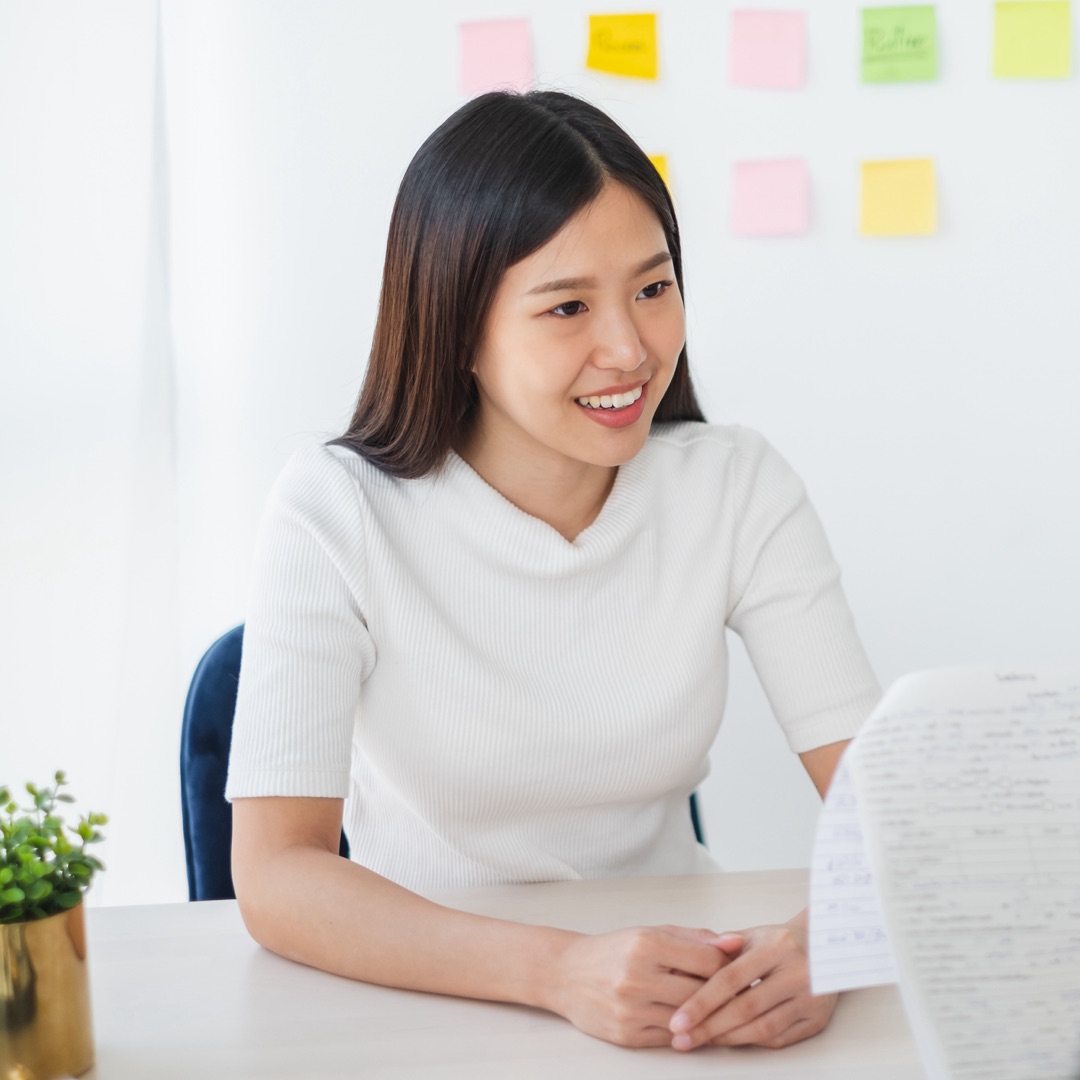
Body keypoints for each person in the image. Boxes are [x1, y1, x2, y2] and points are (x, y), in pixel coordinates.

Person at [225, 89, 881, 1052]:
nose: (630, 348)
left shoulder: (736, 485)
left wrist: (835, 939)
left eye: (654, 289)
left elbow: (887, 797)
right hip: (425, 994)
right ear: (459, 330)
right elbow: (277, 875)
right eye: (568, 306)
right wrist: (558, 970)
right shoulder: (335, 508)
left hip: (685, 995)